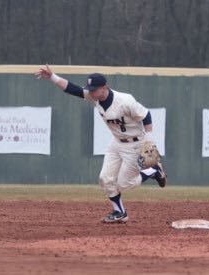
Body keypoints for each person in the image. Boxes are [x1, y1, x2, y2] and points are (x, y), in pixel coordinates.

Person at [35, 65, 166, 223]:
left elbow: (146, 115)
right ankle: (120, 212)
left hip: (135, 144)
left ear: (105, 87)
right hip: (116, 142)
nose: (91, 93)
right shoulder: (94, 97)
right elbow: (72, 89)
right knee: (105, 178)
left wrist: (149, 140)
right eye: (90, 90)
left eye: (94, 90)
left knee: (124, 184)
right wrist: (52, 76)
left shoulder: (125, 101)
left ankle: (153, 170)